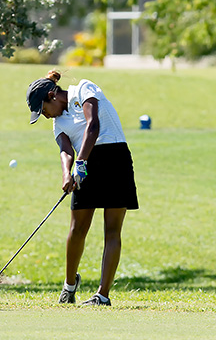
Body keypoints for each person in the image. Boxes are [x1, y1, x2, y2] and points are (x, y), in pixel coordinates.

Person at [26, 70, 138, 306]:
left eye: (43, 110)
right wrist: (67, 173)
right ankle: (69, 286)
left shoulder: (85, 89)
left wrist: (81, 162)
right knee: (77, 229)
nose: (45, 116)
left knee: (112, 230)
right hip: (84, 167)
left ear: (52, 96)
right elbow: (65, 149)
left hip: (115, 159)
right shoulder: (58, 123)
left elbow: (93, 125)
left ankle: (102, 295)